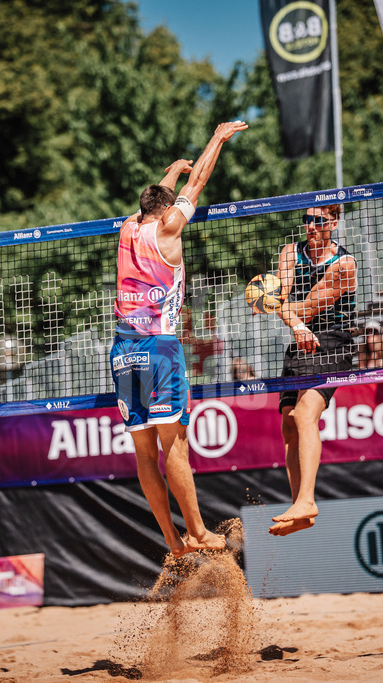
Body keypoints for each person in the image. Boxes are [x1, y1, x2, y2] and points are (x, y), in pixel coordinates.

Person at [109, 121, 246, 558]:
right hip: (159, 349)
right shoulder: (167, 231)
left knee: (144, 454)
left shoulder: (127, 228)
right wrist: (216, 140)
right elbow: (199, 180)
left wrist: (169, 171)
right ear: (167, 212)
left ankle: (172, 541)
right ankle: (199, 533)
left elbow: (154, 198)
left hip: (122, 351)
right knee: (175, 445)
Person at [272, 203, 357, 536]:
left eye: (318, 221)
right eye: (307, 220)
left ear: (333, 223)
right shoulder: (291, 252)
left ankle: (308, 499)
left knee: (306, 414)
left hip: (334, 341)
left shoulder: (344, 264)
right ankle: (299, 510)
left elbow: (303, 308)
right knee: (288, 424)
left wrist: (276, 305)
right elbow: (283, 302)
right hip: (300, 341)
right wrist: (284, 311)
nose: (310, 226)